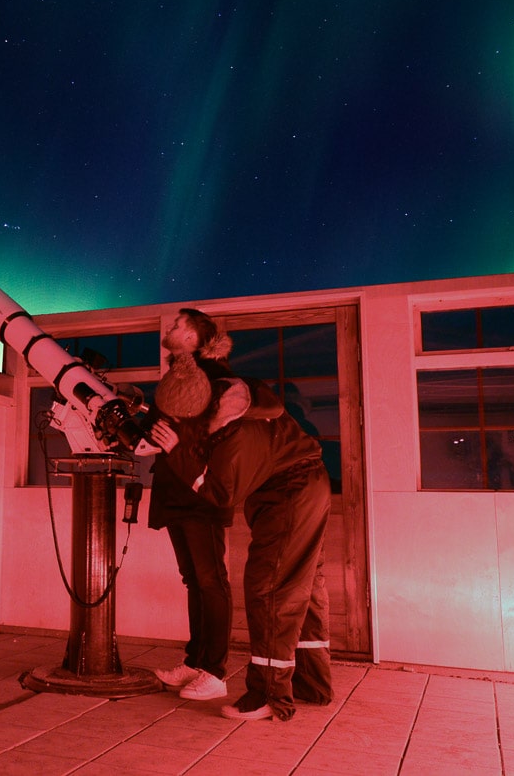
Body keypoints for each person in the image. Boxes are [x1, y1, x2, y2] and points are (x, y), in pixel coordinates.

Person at [149, 361, 333, 721]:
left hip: (290, 496)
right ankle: (312, 684)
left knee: (270, 590)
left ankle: (268, 696)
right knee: (304, 590)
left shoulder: (237, 430)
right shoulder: (235, 407)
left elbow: (222, 493)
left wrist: (177, 451)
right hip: (303, 489)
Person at [148, 309, 281, 702]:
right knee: (193, 579)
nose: (170, 329)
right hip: (175, 487)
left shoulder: (216, 382)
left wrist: (178, 450)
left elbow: (214, 441)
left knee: (210, 580)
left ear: (193, 338)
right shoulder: (178, 379)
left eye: (177, 326)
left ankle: (215, 671)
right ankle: (195, 660)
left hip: (201, 491)